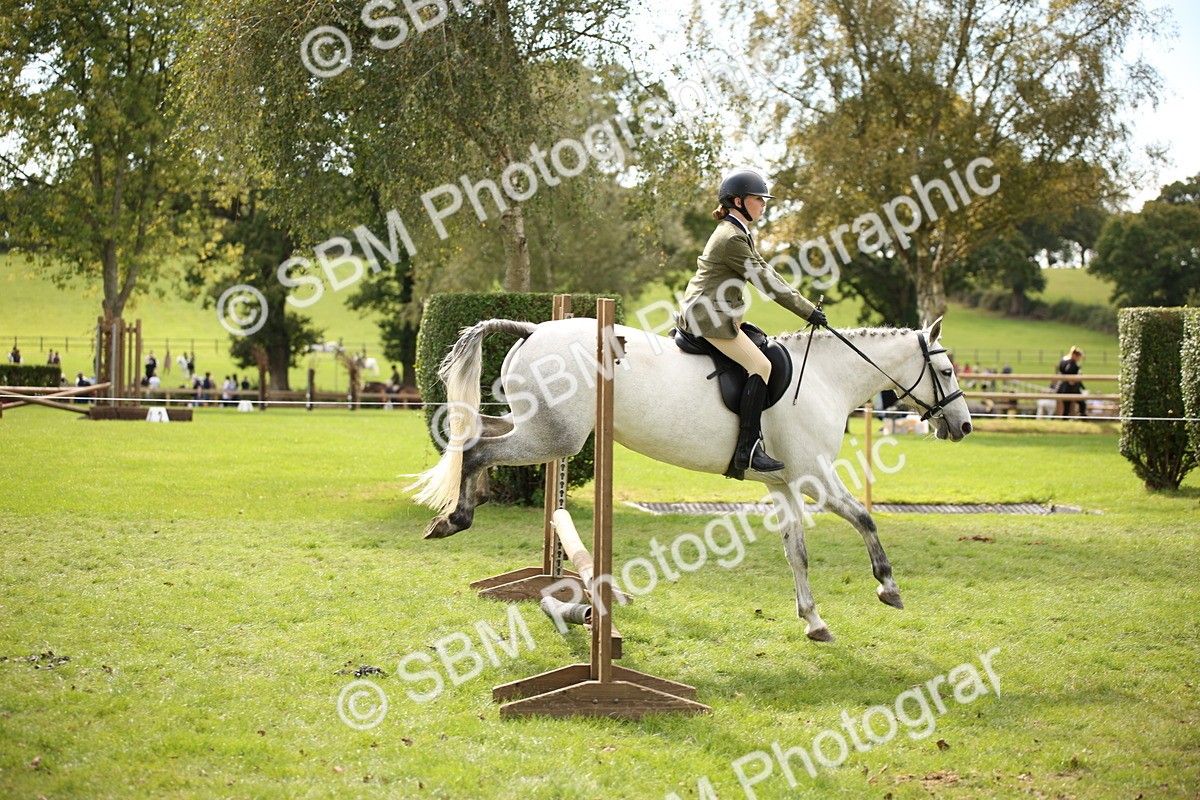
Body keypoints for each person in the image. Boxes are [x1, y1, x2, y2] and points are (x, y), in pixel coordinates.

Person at [676, 169, 826, 472]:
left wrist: (807, 307)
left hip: (715, 311)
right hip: (707, 317)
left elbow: (766, 271)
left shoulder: (737, 233)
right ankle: (748, 450)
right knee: (761, 365)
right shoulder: (731, 238)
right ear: (737, 201)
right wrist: (808, 311)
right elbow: (767, 282)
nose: (764, 204)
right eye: (758, 199)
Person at [1055, 346, 1085, 417]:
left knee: (1067, 406)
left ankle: (1066, 419)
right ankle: (1082, 418)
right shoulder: (1072, 362)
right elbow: (1069, 371)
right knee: (1079, 403)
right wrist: (1072, 379)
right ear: (1075, 355)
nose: (1079, 359)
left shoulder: (1063, 359)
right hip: (1070, 387)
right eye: (1079, 357)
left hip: (1062, 385)